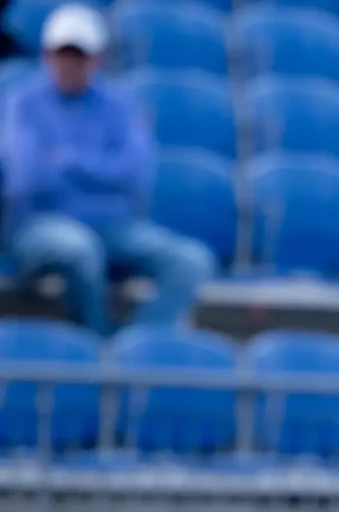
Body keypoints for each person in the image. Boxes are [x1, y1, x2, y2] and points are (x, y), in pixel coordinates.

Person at [1, 4, 217, 335]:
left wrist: (68, 159)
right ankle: (96, 341)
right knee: (79, 248)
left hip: (112, 227)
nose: (70, 63)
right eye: (63, 54)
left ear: (97, 59)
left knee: (191, 260)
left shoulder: (118, 105)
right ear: (47, 56)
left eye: (79, 55)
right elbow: (28, 179)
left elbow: (134, 175)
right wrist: (101, 171)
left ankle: (136, 345)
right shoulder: (23, 104)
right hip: (39, 225)